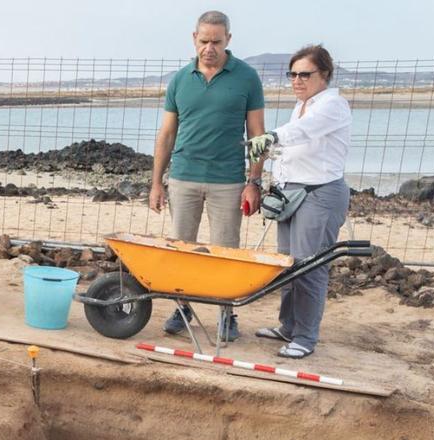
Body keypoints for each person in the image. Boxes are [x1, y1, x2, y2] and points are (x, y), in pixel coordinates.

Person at [148, 10, 267, 340]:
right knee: (181, 249)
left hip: (228, 181)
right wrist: (157, 182)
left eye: (216, 41)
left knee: (225, 252)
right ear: (194, 39)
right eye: (204, 41)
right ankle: (182, 307)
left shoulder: (246, 78)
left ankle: (226, 314)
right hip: (183, 178)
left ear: (228, 39)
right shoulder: (180, 79)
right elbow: (167, 134)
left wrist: (254, 182)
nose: (209, 48)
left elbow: (258, 134)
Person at [246, 45, 352, 359]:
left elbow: (302, 133)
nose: (297, 80)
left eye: (305, 74)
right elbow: (295, 145)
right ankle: (288, 326)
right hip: (291, 194)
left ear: (325, 75)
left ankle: (305, 338)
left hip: (320, 194)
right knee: (289, 265)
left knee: (310, 266)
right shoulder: (302, 105)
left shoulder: (333, 105)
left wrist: (271, 138)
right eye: (292, 74)